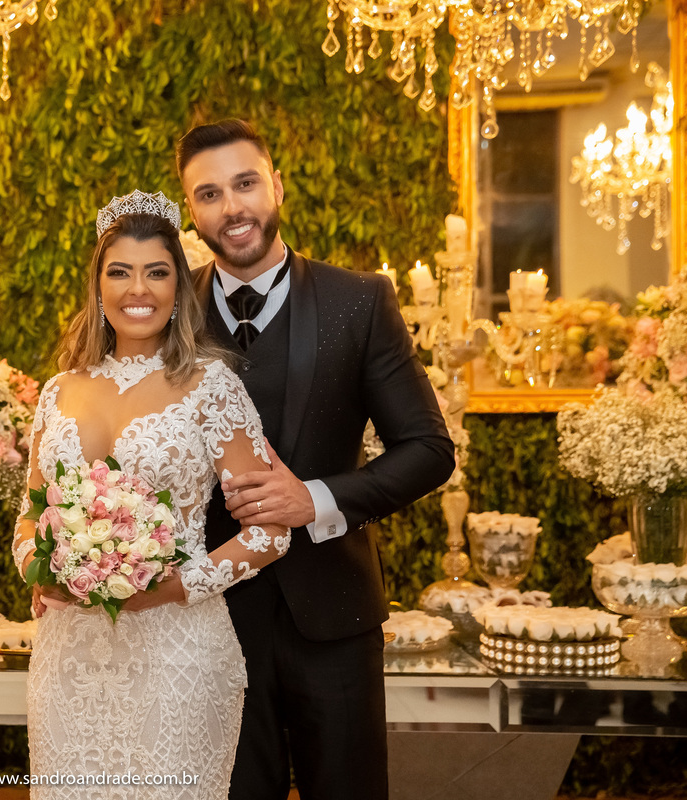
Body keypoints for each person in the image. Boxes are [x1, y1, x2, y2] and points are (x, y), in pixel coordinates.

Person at [176, 119, 456, 800]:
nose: (232, 208)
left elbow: (428, 450)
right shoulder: (166, 310)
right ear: (191, 210)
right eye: (209, 194)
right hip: (208, 626)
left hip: (333, 618)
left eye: (245, 183)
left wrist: (317, 501)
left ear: (276, 184)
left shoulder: (358, 302)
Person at [11, 191, 291, 799]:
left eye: (157, 272)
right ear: (98, 285)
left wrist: (174, 586)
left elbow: (271, 532)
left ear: (178, 288)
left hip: (179, 656)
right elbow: (28, 523)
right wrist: (44, 570)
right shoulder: (57, 391)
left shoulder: (212, 386)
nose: (138, 289)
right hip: (70, 659)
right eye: (120, 272)